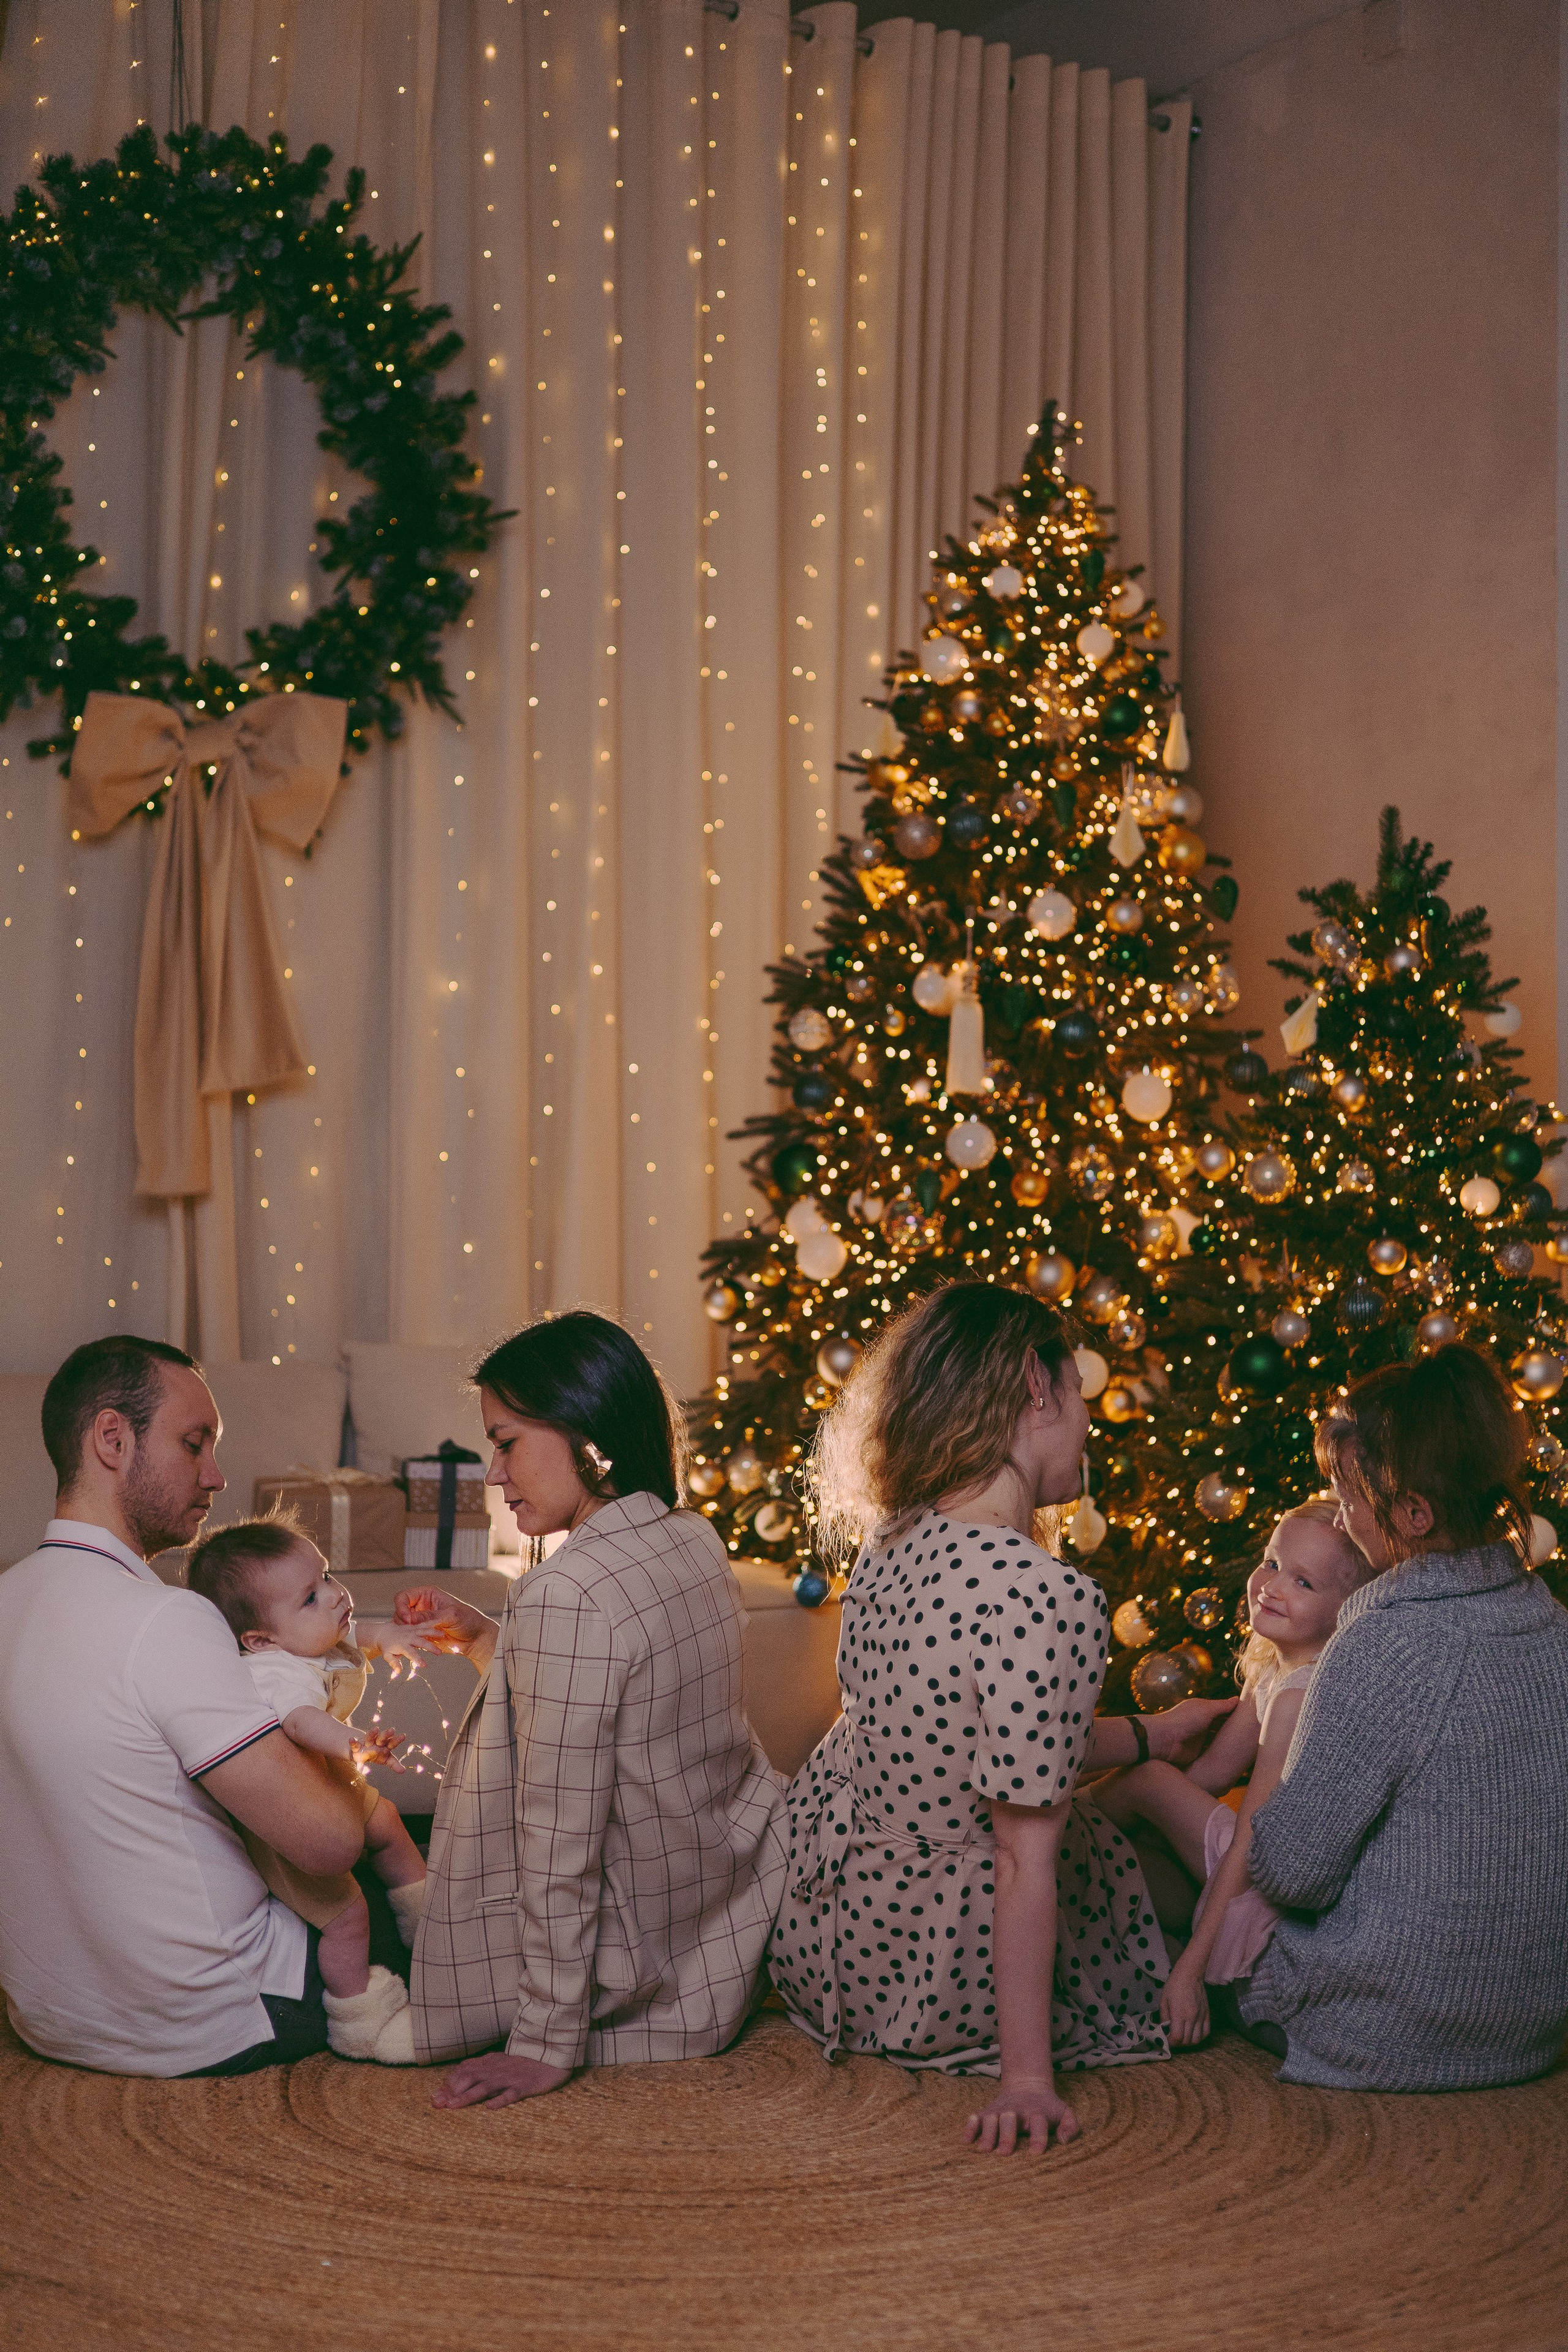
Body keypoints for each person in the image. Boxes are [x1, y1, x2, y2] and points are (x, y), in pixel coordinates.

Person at [766, 1283, 1236, 2155]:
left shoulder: (895, 1539)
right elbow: (1024, 1855)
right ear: (1035, 1385)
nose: (1091, 1427)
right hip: (947, 1967)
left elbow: (959, 1739)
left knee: (1136, 1782)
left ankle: (1170, 1784)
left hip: (836, 1937)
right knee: (1175, 1878)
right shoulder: (1042, 1593)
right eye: (1083, 1399)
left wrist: (1155, 1731)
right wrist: (1027, 2079)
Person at [393, 1310, 790, 2109]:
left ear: (586, 1431)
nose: (494, 1474)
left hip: (633, 1977)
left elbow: (559, 1839)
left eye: (505, 1443)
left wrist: (543, 2041)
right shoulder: (692, 1538)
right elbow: (626, 1692)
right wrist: (491, 1642)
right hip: (717, 1930)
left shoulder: (564, 1593)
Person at [0, 1336, 366, 2077]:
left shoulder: (7, 1599)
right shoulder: (168, 1619)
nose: (216, 1475)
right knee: (430, 1885)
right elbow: (330, 1845)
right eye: (193, 1444)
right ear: (112, 1438)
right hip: (213, 2017)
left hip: (51, 2018)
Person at [1237, 1344, 1568, 2089]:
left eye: (1347, 1496)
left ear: (1414, 1513)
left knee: (1170, 1888)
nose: (1339, 1514)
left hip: (1389, 2027)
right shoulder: (1554, 1627)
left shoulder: (1387, 1641)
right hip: (1534, 2025)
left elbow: (1293, 1873)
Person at [1091, 1498, 1373, 2047]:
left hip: (1264, 1880)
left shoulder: (1302, 1693)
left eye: (1303, 1582)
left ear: (1347, 1611)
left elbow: (1254, 1834)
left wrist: (1191, 1969)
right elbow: (1213, 1774)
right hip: (1238, 1860)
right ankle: (1071, 1862)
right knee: (1132, 1860)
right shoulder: (1272, 1659)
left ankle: (1056, 1839)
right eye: (1270, 1561)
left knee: (1145, 1781)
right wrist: (1159, 1818)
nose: (1271, 1584)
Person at [187, 1517, 430, 2063]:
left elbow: (349, 1636)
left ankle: (428, 1919)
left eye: (327, 1575)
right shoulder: (273, 1671)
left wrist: (387, 1636)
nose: (335, 1595)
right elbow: (300, 1722)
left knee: (387, 1822)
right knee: (346, 1915)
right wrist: (355, 1744)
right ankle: (358, 2016)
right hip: (291, 1815)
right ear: (261, 1639)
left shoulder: (307, 1636)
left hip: (331, 1782)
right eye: (311, 1597)